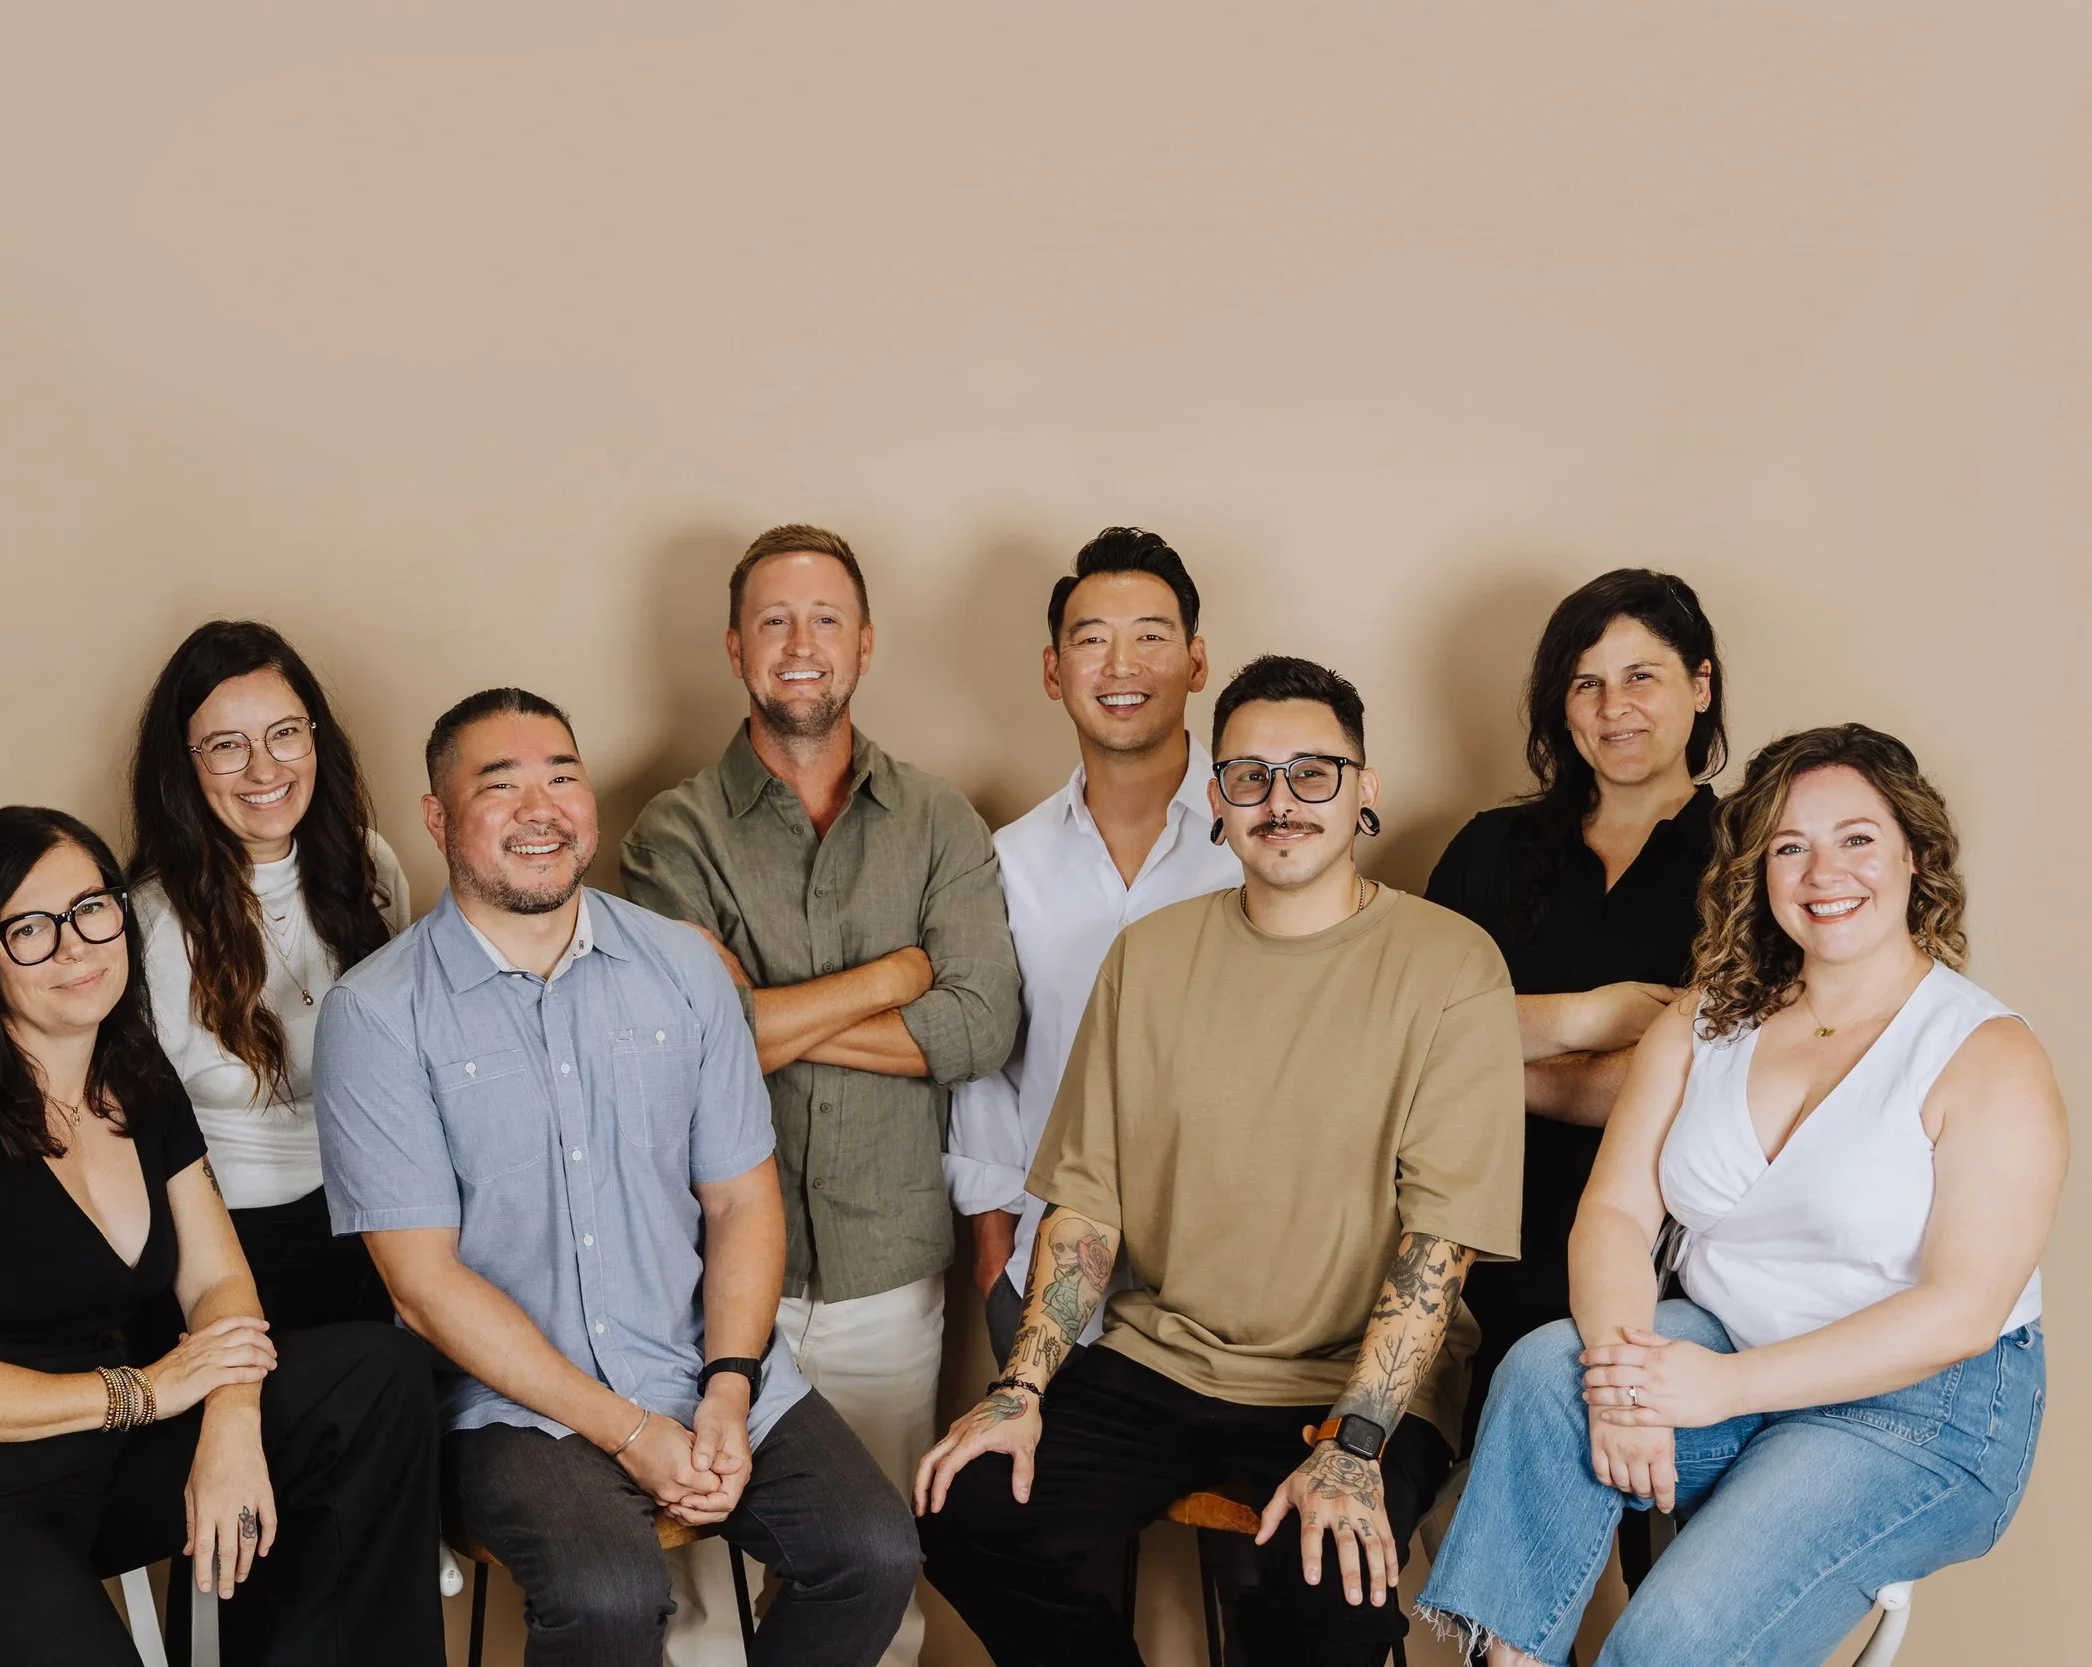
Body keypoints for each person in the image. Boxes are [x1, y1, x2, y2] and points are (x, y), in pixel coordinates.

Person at [916, 655, 1524, 1667]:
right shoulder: (1148, 958)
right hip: (1163, 1359)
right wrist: (1017, 1390)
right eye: (1249, 774)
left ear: (1364, 789)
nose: (1278, 801)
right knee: (968, 1508)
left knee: (1324, 1591)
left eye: (1312, 772)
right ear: (1217, 797)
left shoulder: (1450, 964)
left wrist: (1356, 1444)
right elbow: (1086, 1208)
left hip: (1348, 1384)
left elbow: (1439, 1243)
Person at [1416, 725, 2063, 1666]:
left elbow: (1960, 1312)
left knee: (1668, 1642)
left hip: (1922, 1408)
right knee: (1548, 1374)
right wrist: (1624, 1372)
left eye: (1856, 838)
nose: (1821, 871)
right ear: (1758, 869)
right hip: (1721, 1348)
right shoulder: (1705, 1019)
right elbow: (1618, 1213)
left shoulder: (1988, 1054)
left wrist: (1719, 1386)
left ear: (1913, 855)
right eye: (1789, 847)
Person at [313, 688, 921, 1667]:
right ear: (436, 816)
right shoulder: (376, 1014)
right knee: (608, 1590)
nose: (541, 804)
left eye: (562, 775)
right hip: (507, 1404)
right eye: (499, 784)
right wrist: (629, 1429)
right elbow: (421, 1286)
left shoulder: (682, 969)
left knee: (873, 1550)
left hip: (698, 1359)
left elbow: (740, 1198)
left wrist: (727, 1386)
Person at [0, 807, 443, 1667]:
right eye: (31, 929)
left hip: (101, 1464)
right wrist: (148, 1392)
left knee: (375, 1376)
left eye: (92, 907)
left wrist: (230, 1420)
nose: (75, 946)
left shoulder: (138, 1079)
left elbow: (218, 1286)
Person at [620, 524, 1020, 1667]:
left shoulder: (941, 820)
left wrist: (765, 1022)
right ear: (736, 645)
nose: (802, 644)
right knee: (695, 1602)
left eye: (825, 619)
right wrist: (897, 977)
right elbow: (690, 1043)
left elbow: (981, 1025)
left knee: (874, 1589)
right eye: (776, 620)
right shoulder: (672, 829)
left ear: (865, 643)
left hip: (885, 1268)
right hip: (694, 1280)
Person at [1423, 570, 1725, 1444]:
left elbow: (1691, 1087)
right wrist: (1595, 1017)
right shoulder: (1487, 851)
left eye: (1642, 676)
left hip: (1674, 1264)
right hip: (1474, 1242)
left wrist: (1483, 1055)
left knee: (1662, 1540)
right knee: (1470, 1512)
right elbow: (1402, 1039)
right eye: (1585, 682)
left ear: (1700, 686)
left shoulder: (1753, 857)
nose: (1612, 706)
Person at [944, 527, 1239, 1366]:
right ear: (1053, 671)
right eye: (1092, 640)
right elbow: (988, 1068)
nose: (1121, 666)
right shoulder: (1006, 860)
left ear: (1196, 661)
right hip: (1048, 1280)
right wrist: (997, 1255)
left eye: (1151, 636)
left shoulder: (1263, 840)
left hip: (1230, 1284)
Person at [128, 619, 411, 1331]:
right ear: (183, 764)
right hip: (236, 1248)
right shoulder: (148, 925)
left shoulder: (370, 866)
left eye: (285, 732)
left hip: (379, 1208)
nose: (265, 769)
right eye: (227, 746)